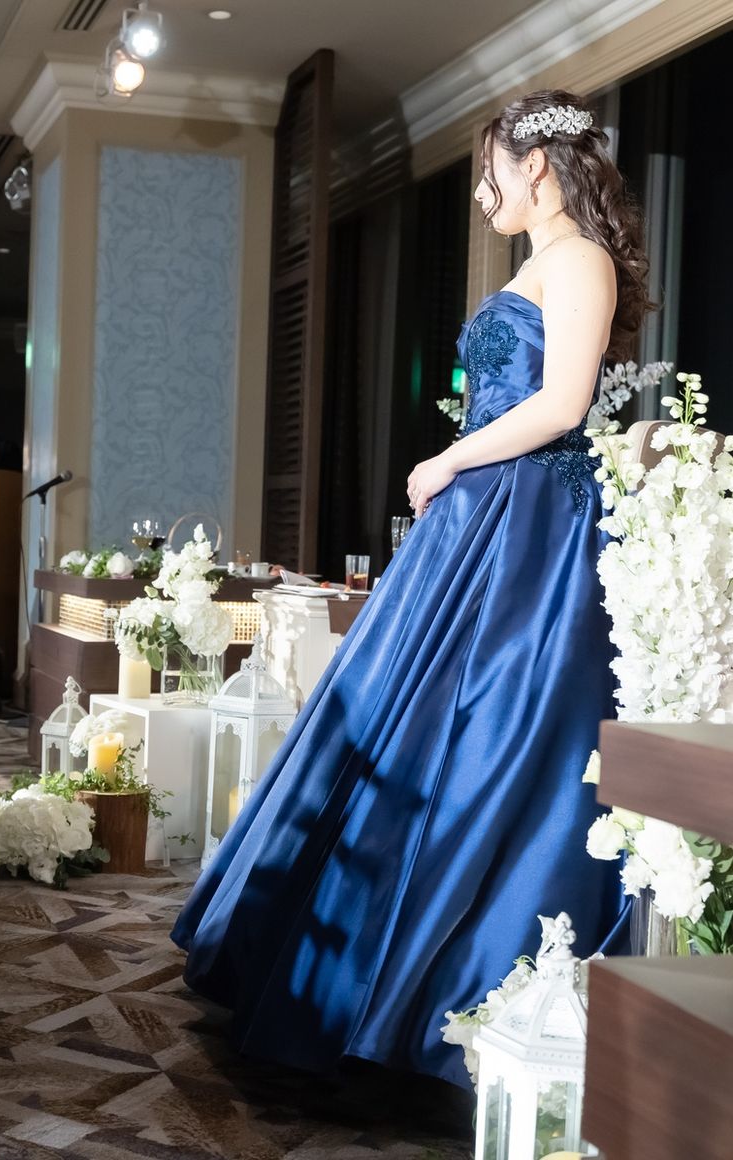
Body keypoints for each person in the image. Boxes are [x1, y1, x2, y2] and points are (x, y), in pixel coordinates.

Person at [172, 90, 651, 1088]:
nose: (479, 193)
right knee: (402, 724)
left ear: (534, 165)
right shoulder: (540, 262)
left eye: (487, 173)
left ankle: (429, 997)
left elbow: (563, 406)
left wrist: (445, 460)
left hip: (529, 525)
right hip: (483, 516)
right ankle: (344, 975)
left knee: (492, 734)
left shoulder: (580, 260)